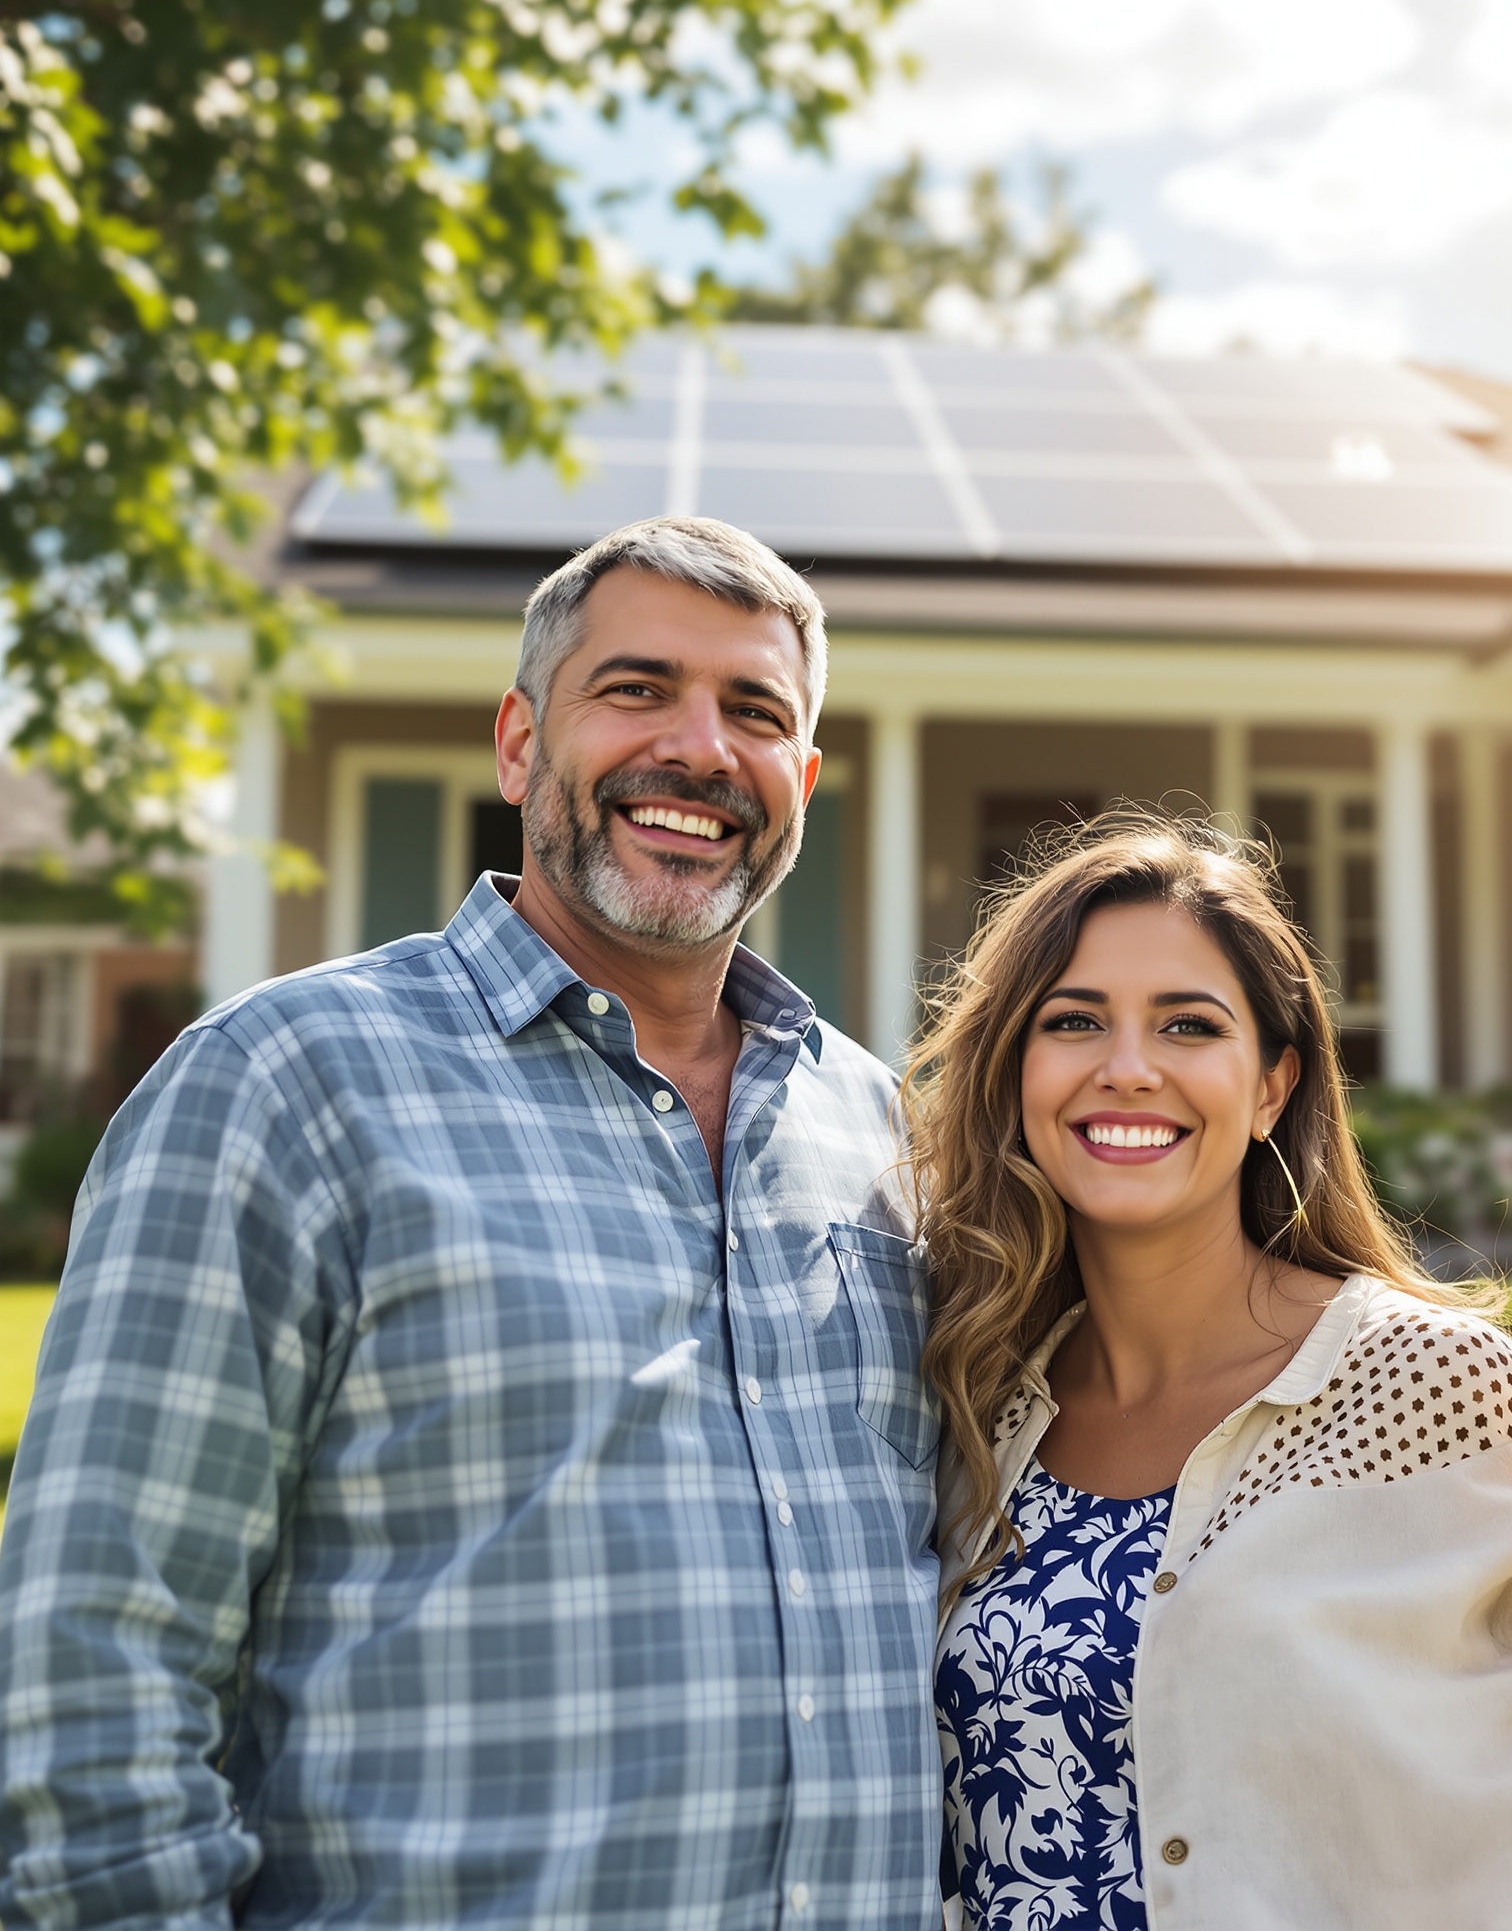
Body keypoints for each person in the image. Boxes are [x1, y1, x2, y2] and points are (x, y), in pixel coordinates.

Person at [0, 517, 942, 1931]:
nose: (699, 748)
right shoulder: (285, 1081)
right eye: (635, 689)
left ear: (800, 784)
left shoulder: (883, 1137)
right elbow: (94, 1656)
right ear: (517, 745)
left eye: (755, 712)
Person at [908, 815, 1512, 1931]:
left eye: (1188, 1025)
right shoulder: (975, 1403)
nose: (1125, 1069)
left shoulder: (1429, 1391)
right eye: (1073, 1021)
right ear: (1015, 1068)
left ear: (1271, 1085)